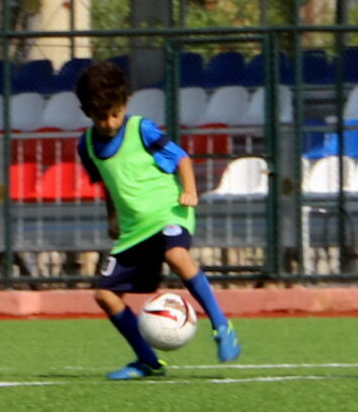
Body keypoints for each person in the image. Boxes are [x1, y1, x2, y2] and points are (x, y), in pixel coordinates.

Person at [74, 60, 240, 379]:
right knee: (105, 295)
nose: (109, 123)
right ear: (87, 113)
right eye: (101, 116)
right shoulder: (87, 146)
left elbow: (181, 159)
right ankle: (148, 361)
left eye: (115, 114)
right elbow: (108, 182)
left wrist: (190, 191)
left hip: (169, 211)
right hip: (134, 229)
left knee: (176, 255)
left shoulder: (141, 128)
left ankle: (222, 325)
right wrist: (112, 217)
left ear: (125, 105)